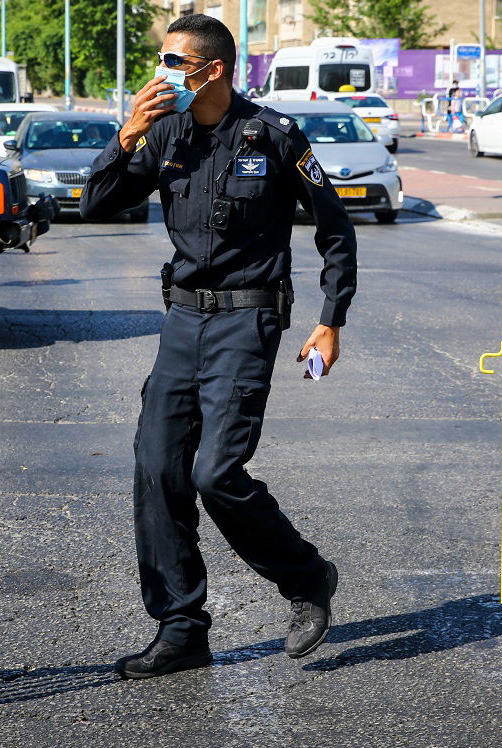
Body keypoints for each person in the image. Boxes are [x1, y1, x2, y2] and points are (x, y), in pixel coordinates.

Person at [80, 14, 357, 679]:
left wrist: (330, 319)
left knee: (215, 475)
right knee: (157, 466)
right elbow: (96, 203)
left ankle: (308, 577)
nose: (160, 73)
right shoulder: (164, 133)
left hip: (246, 321)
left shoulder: (274, 136)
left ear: (213, 71)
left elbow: (335, 229)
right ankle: (180, 628)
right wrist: (125, 137)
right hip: (180, 322)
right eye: (161, 60)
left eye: (173, 63)